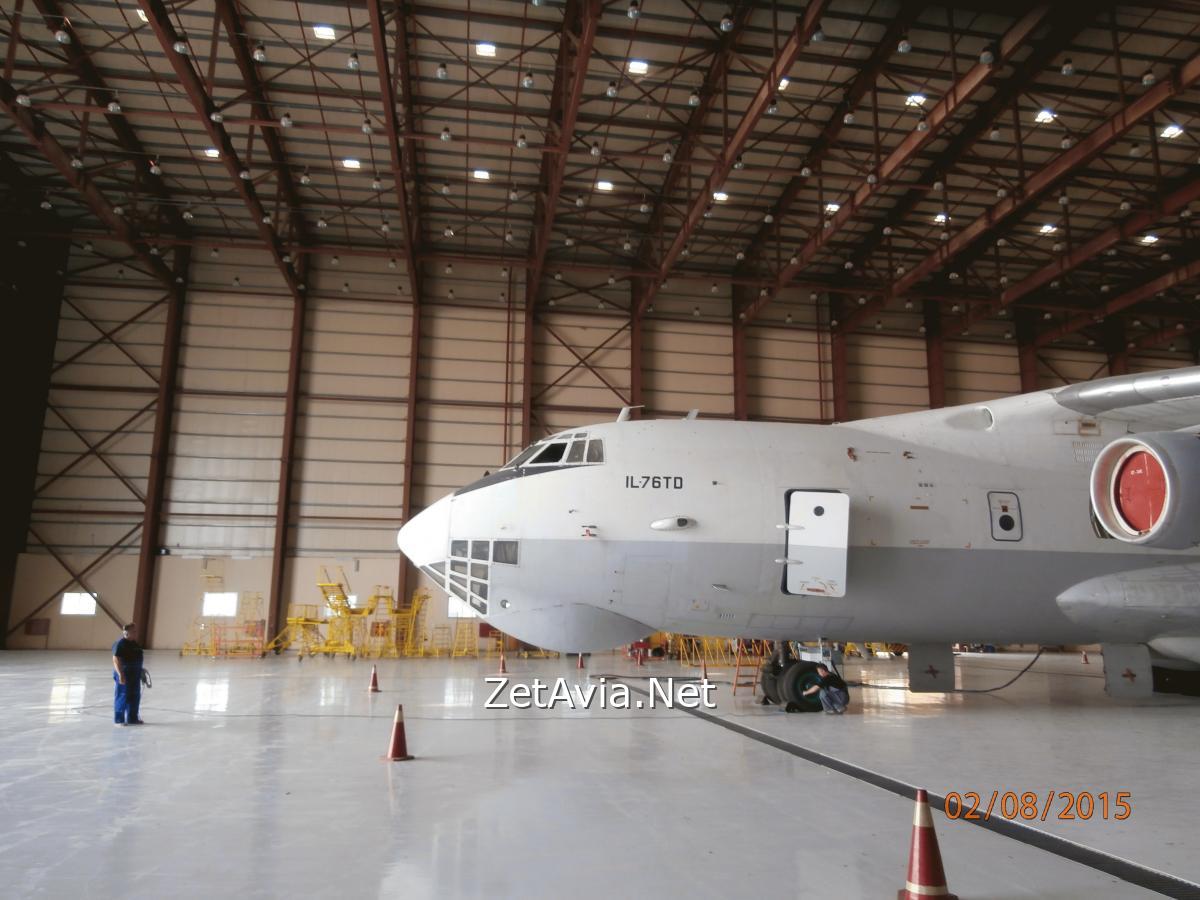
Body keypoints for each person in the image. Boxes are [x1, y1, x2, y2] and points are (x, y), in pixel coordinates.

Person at [112, 623, 144, 726]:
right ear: (126, 633)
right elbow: (116, 660)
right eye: (133, 631)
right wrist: (120, 674)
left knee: (134, 696)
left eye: (136, 631)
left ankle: (132, 718)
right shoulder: (120, 644)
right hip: (125, 673)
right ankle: (119, 720)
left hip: (135, 674)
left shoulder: (135, 644)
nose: (136, 633)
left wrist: (141, 670)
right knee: (123, 696)